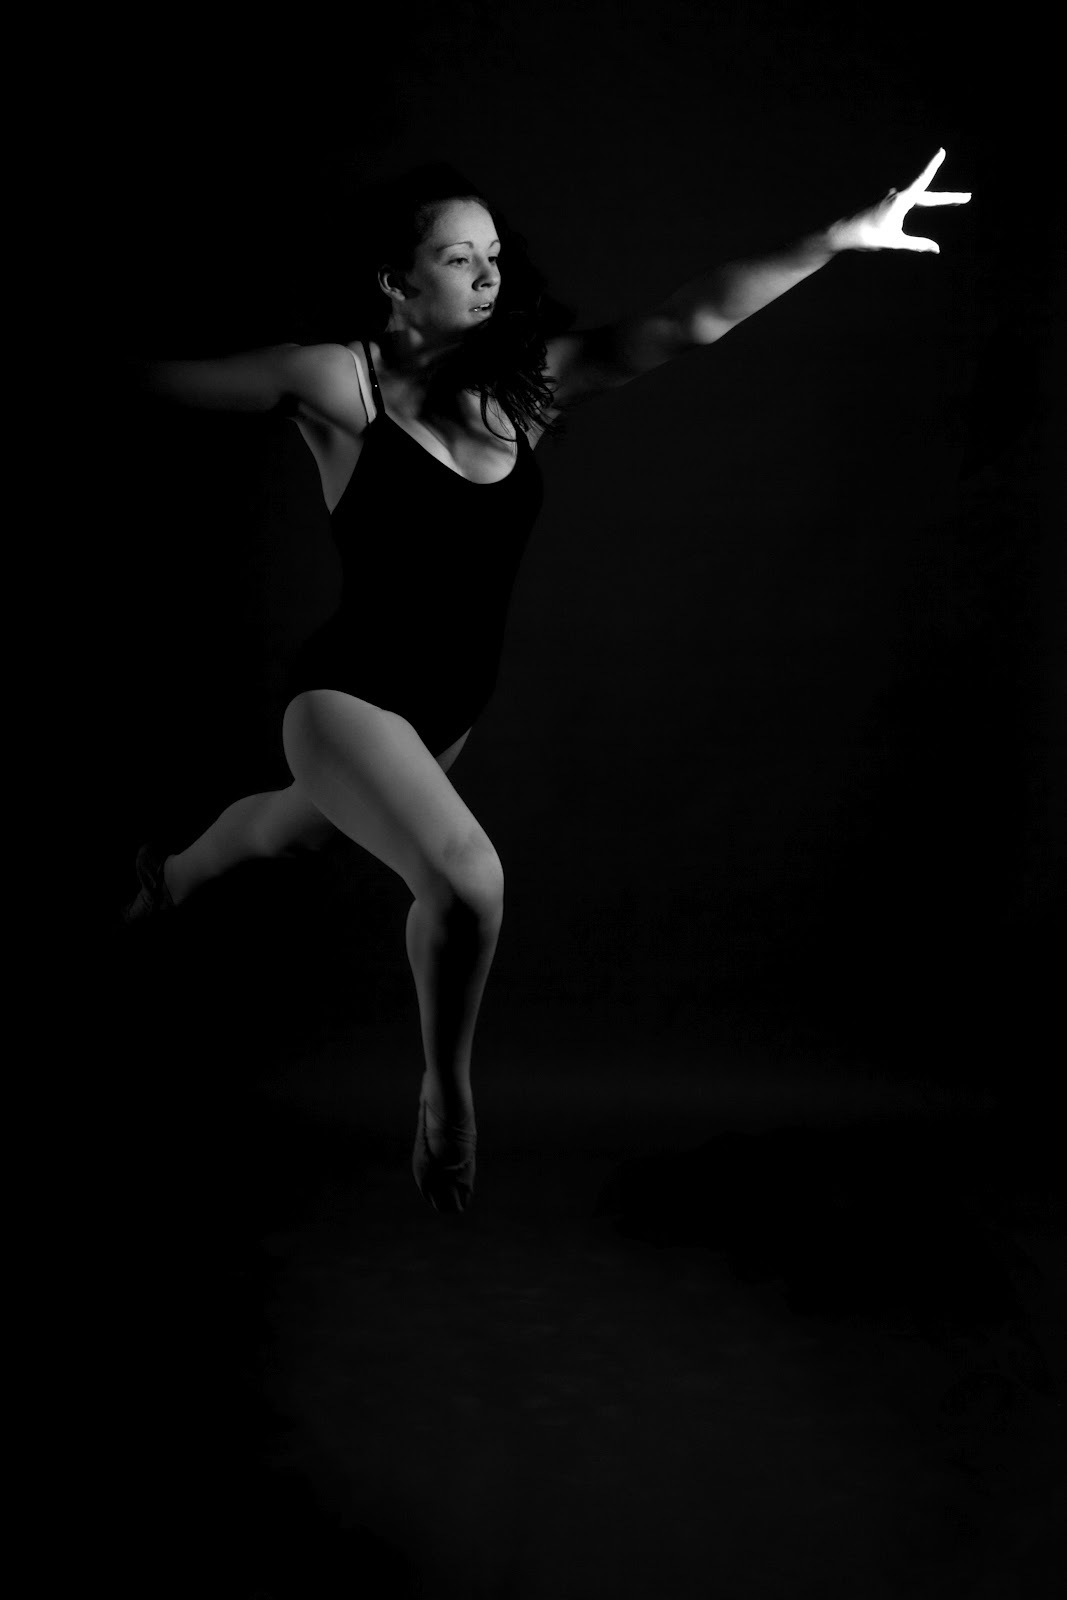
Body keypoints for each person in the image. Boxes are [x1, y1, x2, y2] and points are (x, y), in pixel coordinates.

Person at [122, 151, 970, 1212]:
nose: (487, 275)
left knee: (293, 831)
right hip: (346, 697)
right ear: (395, 280)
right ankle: (446, 1098)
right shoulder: (337, 381)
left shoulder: (522, 386)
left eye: (492, 255)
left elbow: (687, 322)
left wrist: (838, 238)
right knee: (466, 880)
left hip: (445, 715)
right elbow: (163, 381)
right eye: (456, 258)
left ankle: (169, 876)